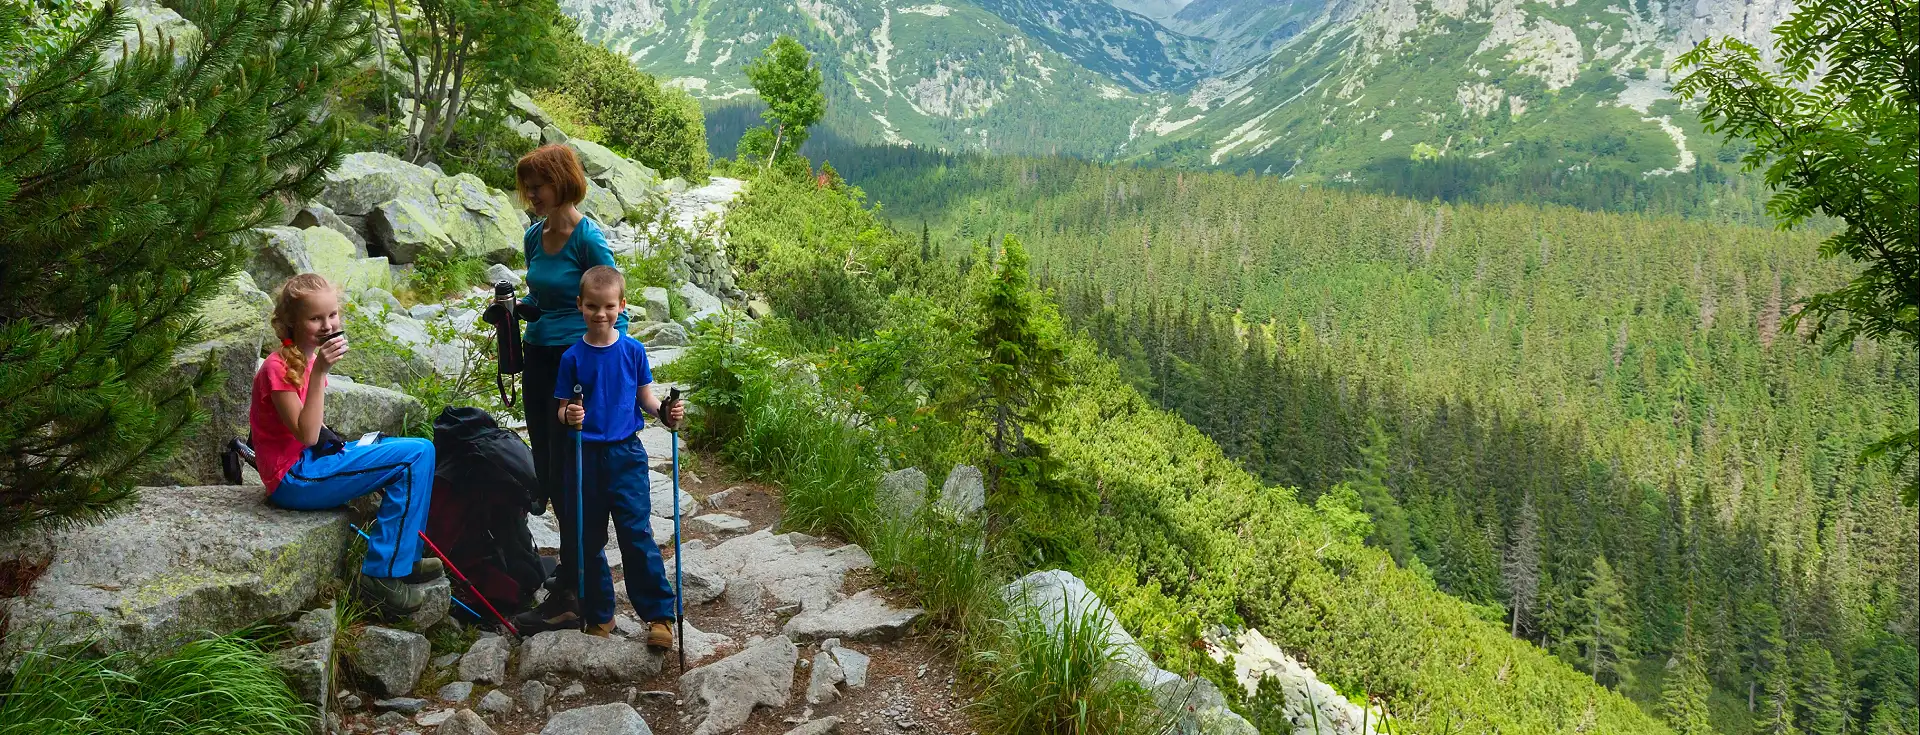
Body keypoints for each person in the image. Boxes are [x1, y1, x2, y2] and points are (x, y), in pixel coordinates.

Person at [250, 273, 442, 612]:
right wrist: (322, 371)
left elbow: (316, 430)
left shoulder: (305, 358)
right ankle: (380, 576)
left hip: (310, 461)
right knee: (413, 457)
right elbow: (305, 435)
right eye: (315, 318)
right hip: (294, 478)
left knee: (421, 450)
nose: (327, 325)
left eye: (332, 315)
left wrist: (344, 447)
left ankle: (404, 557)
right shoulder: (277, 367)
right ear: (292, 323)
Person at [511, 144, 629, 632]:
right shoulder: (534, 238)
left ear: (561, 182)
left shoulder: (589, 240)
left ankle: (575, 588)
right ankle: (573, 576)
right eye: (527, 188)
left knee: (571, 472)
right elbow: (544, 300)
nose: (530, 196)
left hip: (576, 365)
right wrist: (517, 310)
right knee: (549, 469)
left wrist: (615, 373)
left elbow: (610, 304)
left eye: (537, 187)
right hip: (539, 360)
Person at [551, 265, 685, 645]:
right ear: (580, 305)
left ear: (622, 306)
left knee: (636, 533)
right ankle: (599, 614)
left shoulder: (633, 351)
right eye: (592, 306)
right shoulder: (572, 357)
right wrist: (569, 414)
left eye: (609, 306)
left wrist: (666, 413)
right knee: (587, 538)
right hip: (584, 455)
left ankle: (659, 616)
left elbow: (646, 399)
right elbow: (563, 408)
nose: (600, 314)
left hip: (627, 454)